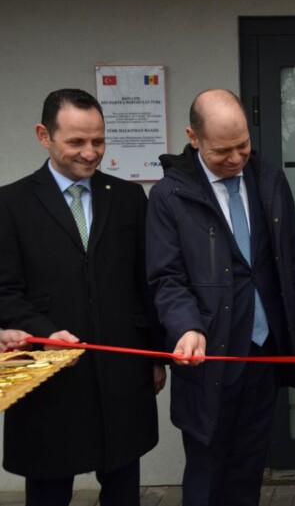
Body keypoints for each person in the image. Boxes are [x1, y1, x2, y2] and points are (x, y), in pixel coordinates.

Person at [146, 88, 295, 506]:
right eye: (224, 151)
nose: (238, 158)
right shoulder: (169, 196)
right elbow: (167, 277)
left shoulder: (269, 178)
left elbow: (291, 258)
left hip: (263, 350)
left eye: (244, 145)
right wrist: (184, 327)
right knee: (207, 471)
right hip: (207, 353)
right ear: (193, 138)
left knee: (249, 466)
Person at [0, 88, 165, 505]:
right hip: (50, 376)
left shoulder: (128, 198)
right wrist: (46, 332)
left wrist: (156, 357)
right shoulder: (10, 204)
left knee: (123, 486)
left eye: (98, 141)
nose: (91, 153)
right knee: (51, 490)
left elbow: (145, 286)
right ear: (44, 135)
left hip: (122, 377)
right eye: (76, 142)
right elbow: (5, 292)